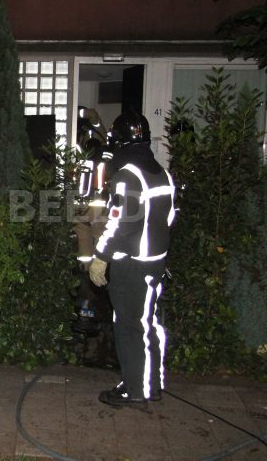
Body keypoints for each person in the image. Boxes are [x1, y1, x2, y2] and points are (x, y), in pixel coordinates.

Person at [89, 111, 176, 408]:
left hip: (132, 264)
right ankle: (152, 384)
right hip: (156, 261)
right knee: (147, 323)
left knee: (127, 326)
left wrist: (100, 256)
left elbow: (119, 223)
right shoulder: (162, 173)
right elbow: (168, 217)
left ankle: (133, 389)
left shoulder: (127, 175)